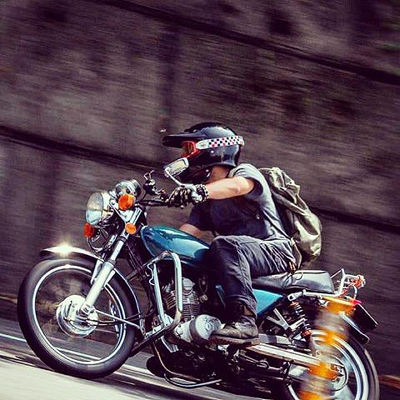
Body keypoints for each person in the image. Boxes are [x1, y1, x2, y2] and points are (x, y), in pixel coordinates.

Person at [163, 122, 296, 345]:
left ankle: (245, 322)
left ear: (213, 150)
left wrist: (200, 191)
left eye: (188, 149)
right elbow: (184, 237)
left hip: (275, 252)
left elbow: (237, 186)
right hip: (240, 257)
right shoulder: (206, 205)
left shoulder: (243, 173)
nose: (184, 157)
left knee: (224, 245)